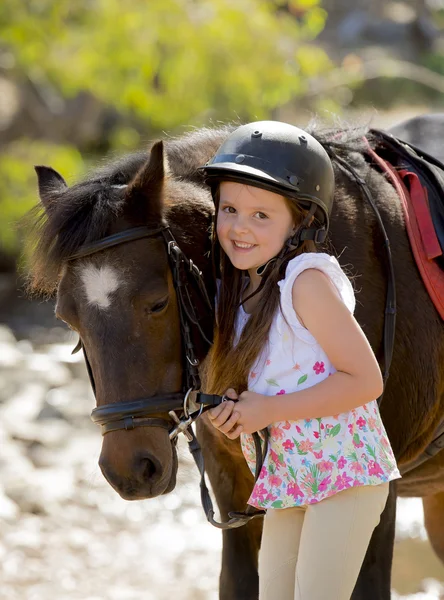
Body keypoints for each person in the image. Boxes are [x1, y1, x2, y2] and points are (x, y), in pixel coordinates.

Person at [199, 121, 401, 600]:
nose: (238, 227)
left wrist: (265, 411)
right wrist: (238, 407)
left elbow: (365, 380)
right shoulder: (243, 293)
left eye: (261, 215)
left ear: (302, 221)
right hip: (291, 476)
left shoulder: (305, 283)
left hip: (345, 475)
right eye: (229, 209)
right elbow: (281, 381)